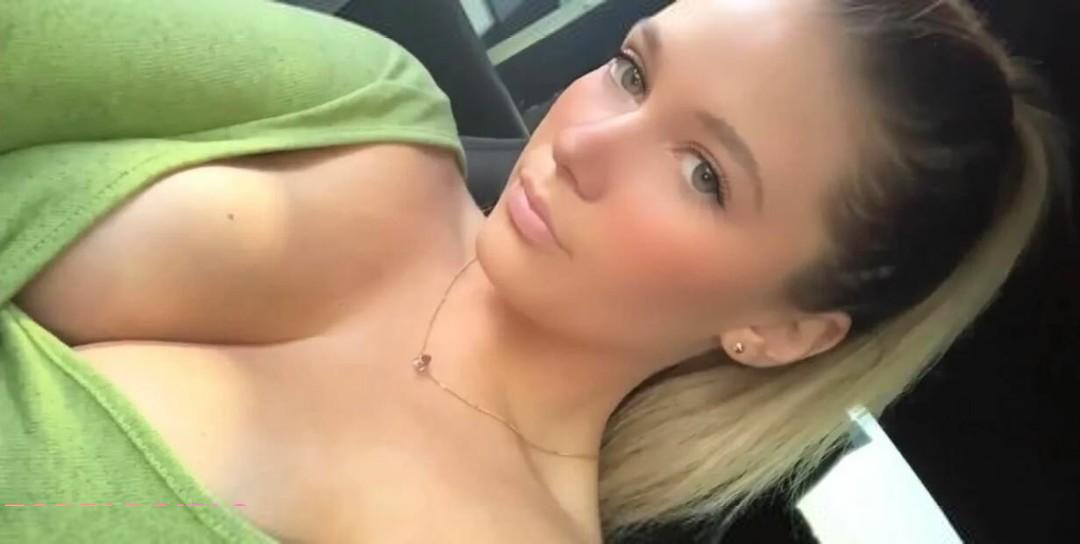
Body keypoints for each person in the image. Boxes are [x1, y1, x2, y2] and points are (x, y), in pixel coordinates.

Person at [0, 0, 1069, 542]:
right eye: (631, 71)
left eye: (703, 173)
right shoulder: (355, 97)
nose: (583, 142)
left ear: (783, 330)